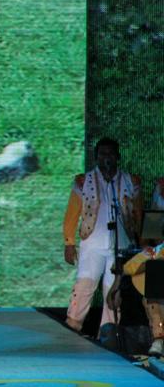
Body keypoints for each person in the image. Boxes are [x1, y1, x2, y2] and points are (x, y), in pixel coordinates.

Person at [63, 137, 142, 335]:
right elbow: (72, 214)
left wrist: (141, 241)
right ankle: (72, 328)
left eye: (110, 154)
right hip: (92, 244)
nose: (106, 158)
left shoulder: (130, 182)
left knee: (112, 291)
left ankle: (108, 335)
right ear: (96, 157)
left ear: (118, 157)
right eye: (102, 154)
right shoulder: (84, 181)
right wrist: (69, 242)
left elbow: (138, 214)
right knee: (84, 287)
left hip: (121, 246)